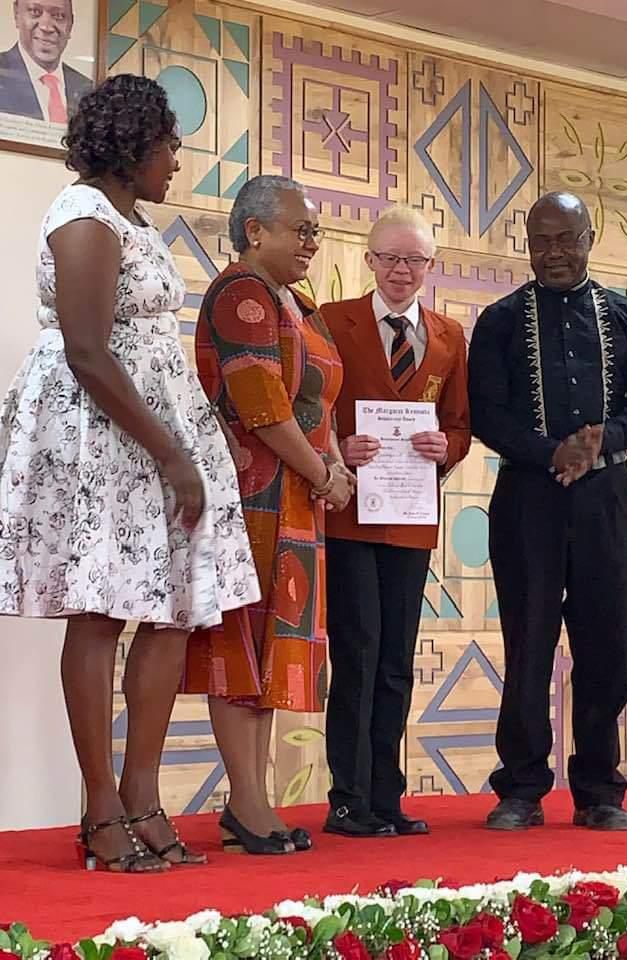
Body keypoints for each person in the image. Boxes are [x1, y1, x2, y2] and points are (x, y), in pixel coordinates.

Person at [0, 74, 260, 872]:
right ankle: (99, 806)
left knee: (174, 611)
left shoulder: (133, 218)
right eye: (170, 144)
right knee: (102, 613)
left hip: (159, 436)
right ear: (132, 144)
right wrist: (172, 452)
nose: (177, 160)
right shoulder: (82, 217)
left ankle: (143, 795)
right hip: (105, 440)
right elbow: (86, 351)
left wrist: (197, 436)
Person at [468, 191, 627, 832]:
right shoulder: (499, 321)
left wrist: (598, 441)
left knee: (604, 640)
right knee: (527, 640)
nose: (553, 252)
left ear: (590, 236)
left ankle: (600, 791)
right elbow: (487, 412)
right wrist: (551, 450)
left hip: (606, 497)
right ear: (528, 244)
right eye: (541, 240)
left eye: (565, 238)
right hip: (528, 496)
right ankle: (521, 788)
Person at [184, 175, 354, 855]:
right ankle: (249, 805)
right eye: (300, 229)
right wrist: (322, 473)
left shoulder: (300, 303)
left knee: (268, 648)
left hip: (296, 495)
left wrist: (335, 464)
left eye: (315, 231)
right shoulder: (240, 293)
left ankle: (251, 803)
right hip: (252, 495)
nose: (312, 241)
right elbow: (261, 404)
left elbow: (322, 398)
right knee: (241, 644)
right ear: (254, 231)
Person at [320, 207, 471, 838]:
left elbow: (459, 425)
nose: (402, 270)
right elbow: (314, 408)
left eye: (414, 260)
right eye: (390, 258)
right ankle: (347, 798)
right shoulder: (332, 322)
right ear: (369, 260)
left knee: (396, 663)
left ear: (429, 267)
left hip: (412, 520)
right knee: (356, 653)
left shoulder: (447, 335)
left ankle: (388, 795)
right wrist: (337, 448)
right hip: (351, 514)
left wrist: (447, 450)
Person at [0, 0, 92, 122]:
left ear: (70, 25)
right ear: (17, 15)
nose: (46, 27)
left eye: (58, 15)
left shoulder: (89, 90)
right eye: (35, 12)